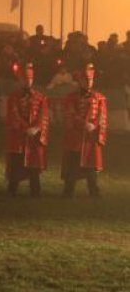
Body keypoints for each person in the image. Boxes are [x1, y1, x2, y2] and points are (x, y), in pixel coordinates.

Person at [61, 63, 107, 198]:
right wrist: (83, 124)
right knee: (72, 165)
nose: (88, 82)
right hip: (76, 136)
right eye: (85, 80)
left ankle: (94, 192)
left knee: (91, 166)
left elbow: (102, 115)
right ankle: (68, 192)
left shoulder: (100, 98)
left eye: (90, 80)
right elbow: (70, 113)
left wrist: (94, 126)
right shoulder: (71, 97)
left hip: (91, 138)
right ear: (80, 81)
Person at [5, 62, 49, 197]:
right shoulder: (14, 97)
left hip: (34, 136)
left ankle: (35, 191)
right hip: (19, 135)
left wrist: (36, 128)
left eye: (30, 79)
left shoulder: (41, 97)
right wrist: (25, 128)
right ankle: (12, 189)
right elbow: (13, 114)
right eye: (25, 79)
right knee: (16, 163)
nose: (28, 81)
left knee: (34, 165)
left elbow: (44, 115)